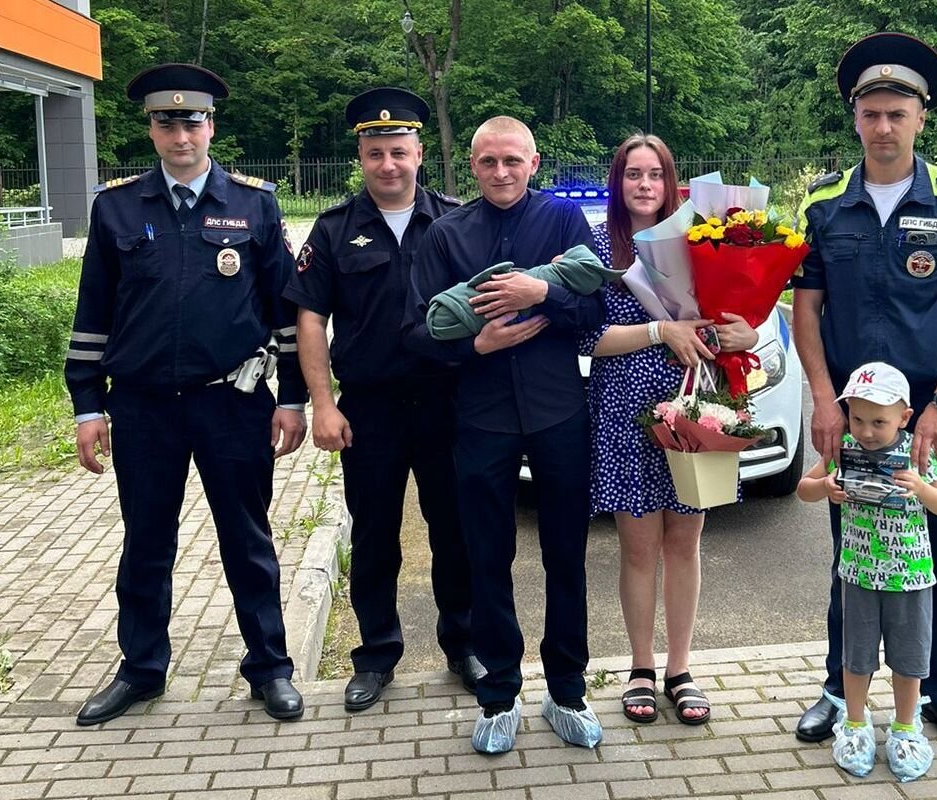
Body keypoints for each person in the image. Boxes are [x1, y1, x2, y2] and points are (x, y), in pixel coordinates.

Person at [65, 63, 308, 725]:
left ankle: (270, 669)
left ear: (211, 125)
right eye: (167, 121)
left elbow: (284, 309)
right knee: (145, 544)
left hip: (232, 403)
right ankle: (141, 670)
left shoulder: (254, 203)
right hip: (142, 407)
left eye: (192, 120)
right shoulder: (116, 207)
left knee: (248, 541)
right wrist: (88, 404)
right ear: (151, 128)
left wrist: (292, 398)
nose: (181, 133)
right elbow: (94, 312)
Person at [791, 32, 937, 755]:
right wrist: (821, 397)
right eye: (872, 113)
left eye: (897, 114)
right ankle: (836, 690)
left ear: (920, 119)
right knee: (849, 548)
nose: (883, 126)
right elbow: (805, 308)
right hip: (849, 420)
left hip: (927, 418)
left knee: (932, 550)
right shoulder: (822, 204)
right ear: (855, 118)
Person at [403, 116, 604, 753]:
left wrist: (540, 286)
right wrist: (476, 343)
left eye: (512, 160)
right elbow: (416, 333)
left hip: (557, 411)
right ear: (472, 165)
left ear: (535, 161)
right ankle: (498, 694)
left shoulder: (566, 224)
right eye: (488, 162)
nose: (501, 172)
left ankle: (567, 690)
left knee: (565, 555)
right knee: (486, 558)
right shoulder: (443, 234)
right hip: (480, 417)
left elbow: (594, 311)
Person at [281, 87, 482, 713]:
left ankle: (464, 646)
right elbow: (310, 320)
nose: (388, 164)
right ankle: (375, 656)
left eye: (399, 151)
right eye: (375, 153)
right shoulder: (336, 228)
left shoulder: (454, 221)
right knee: (374, 536)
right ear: (360, 158)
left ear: (420, 152)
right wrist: (323, 402)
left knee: (456, 531)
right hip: (369, 408)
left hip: (448, 400)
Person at [578, 134, 758, 726]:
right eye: (633, 174)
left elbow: (739, 323)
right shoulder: (598, 248)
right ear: (617, 181)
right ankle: (639, 666)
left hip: (695, 412)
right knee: (637, 548)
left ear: (671, 181)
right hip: (627, 415)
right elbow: (590, 340)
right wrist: (662, 333)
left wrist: (742, 336)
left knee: (685, 542)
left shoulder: (701, 243)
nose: (645, 185)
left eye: (655, 174)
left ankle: (681, 668)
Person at [798, 362, 937, 782]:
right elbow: (803, 489)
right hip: (860, 574)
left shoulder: (916, 454)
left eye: (879, 421)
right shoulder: (844, 450)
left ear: (905, 417)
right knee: (857, 656)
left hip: (910, 576)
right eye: (858, 418)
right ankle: (854, 724)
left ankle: (906, 728)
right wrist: (825, 488)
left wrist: (921, 488)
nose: (866, 431)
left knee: (909, 658)